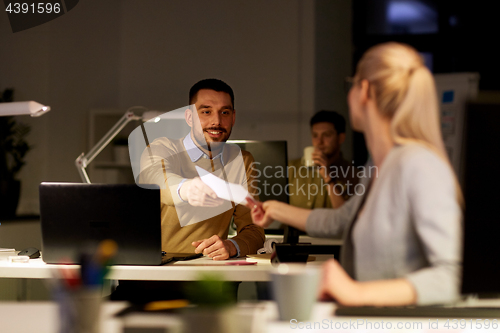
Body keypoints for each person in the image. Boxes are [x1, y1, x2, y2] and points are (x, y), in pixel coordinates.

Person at [249, 42, 462, 306]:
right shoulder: (378, 166)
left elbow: (453, 275)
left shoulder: (419, 165)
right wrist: (275, 209)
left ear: (364, 91)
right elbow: (341, 220)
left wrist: (356, 293)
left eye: (351, 84)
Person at [138, 78, 265, 260]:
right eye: (206, 111)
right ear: (189, 117)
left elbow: (254, 229)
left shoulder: (241, 161)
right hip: (159, 272)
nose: (217, 121)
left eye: (225, 112)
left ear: (233, 117)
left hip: (210, 273)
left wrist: (232, 245)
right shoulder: (162, 149)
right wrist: (187, 188)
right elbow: (157, 178)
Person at [288, 111, 358, 209]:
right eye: (315, 135)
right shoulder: (291, 168)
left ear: (341, 138)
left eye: (326, 135)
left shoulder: (353, 174)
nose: (319, 141)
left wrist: (328, 178)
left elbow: (345, 217)